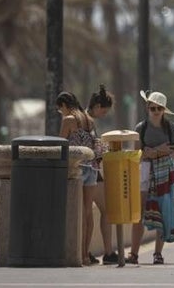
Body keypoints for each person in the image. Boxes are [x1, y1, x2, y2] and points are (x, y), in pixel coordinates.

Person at [127, 90, 174, 265]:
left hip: (165, 173)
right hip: (145, 172)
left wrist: (155, 151)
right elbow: (138, 152)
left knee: (164, 210)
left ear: (164, 110)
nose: (156, 111)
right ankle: (134, 253)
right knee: (139, 213)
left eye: (159, 108)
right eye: (153, 108)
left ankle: (158, 253)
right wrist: (158, 151)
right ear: (147, 108)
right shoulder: (141, 128)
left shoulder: (171, 128)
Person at [56, 91, 99, 266]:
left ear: (64, 105)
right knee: (88, 212)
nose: (61, 113)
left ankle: (77, 254)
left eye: (60, 110)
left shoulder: (68, 120)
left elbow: (60, 143)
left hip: (77, 168)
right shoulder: (89, 119)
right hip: (92, 168)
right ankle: (85, 254)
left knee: (79, 212)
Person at [85, 85, 117, 265]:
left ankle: (99, 251)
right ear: (97, 106)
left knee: (94, 212)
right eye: (104, 111)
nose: (104, 115)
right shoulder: (87, 120)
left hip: (94, 170)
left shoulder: (87, 119)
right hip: (91, 171)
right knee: (97, 211)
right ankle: (104, 251)